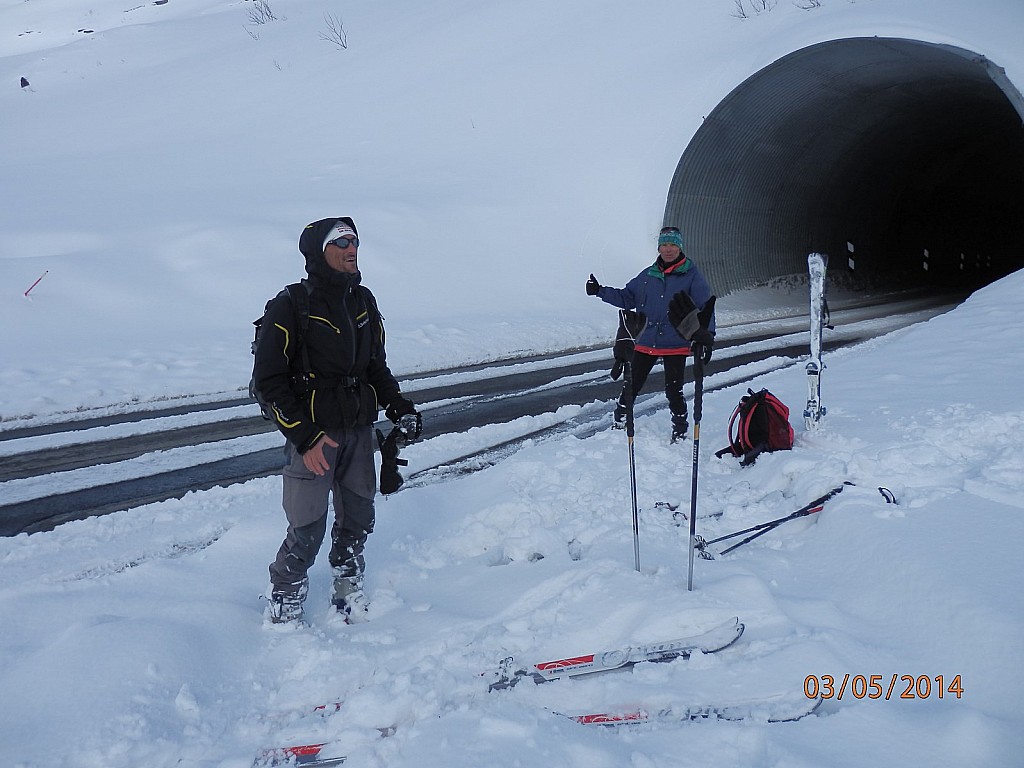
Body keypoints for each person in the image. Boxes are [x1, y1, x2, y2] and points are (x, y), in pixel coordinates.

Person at [252, 216, 422, 625]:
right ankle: (286, 594)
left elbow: (375, 367)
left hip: (358, 434)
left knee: (359, 517)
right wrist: (305, 437)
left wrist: (398, 405)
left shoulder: (362, 301)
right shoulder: (292, 304)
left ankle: (347, 582)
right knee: (307, 528)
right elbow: (268, 382)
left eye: (355, 242)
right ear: (318, 252)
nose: (351, 250)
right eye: (341, 242)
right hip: (315, 438)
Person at [586, 226, 715, 443]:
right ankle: (620, 419)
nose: (668, 249)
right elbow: (627, 298)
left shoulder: (691, 275)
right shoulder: (647, 275)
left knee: (674, 390)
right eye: (664, 245)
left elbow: (706, 307)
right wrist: (600, 291)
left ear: (680, 247)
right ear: (659, 248)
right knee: (632, 384)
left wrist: (706, 336)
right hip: (646, 339)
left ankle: (680, 426)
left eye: (673, 245)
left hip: (676, 341)